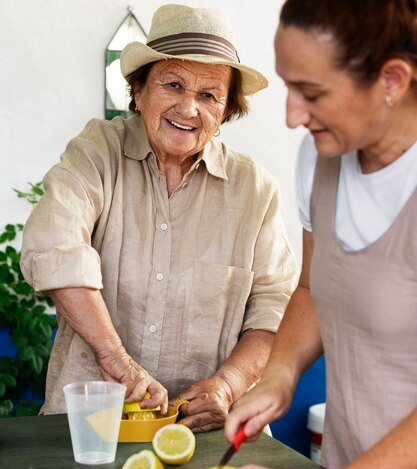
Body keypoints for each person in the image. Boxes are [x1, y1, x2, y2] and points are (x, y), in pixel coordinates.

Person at [20, 4, 298, 431]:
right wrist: (116, 360)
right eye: (173, 84)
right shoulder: (96, 152)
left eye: (209, 95)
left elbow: (275, 309)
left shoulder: (255, 190)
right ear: (139, 90)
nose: (189, 109)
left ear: (225, 112)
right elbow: (55, 246)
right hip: (90, 425)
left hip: (201, 433)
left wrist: (227, 385)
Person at [225, 0, 417, 469]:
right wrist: (279, 374)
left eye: (311, 93)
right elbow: (311, 288)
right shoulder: (320, 157)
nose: (291, 116)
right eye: (289, 86)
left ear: (392, 79)